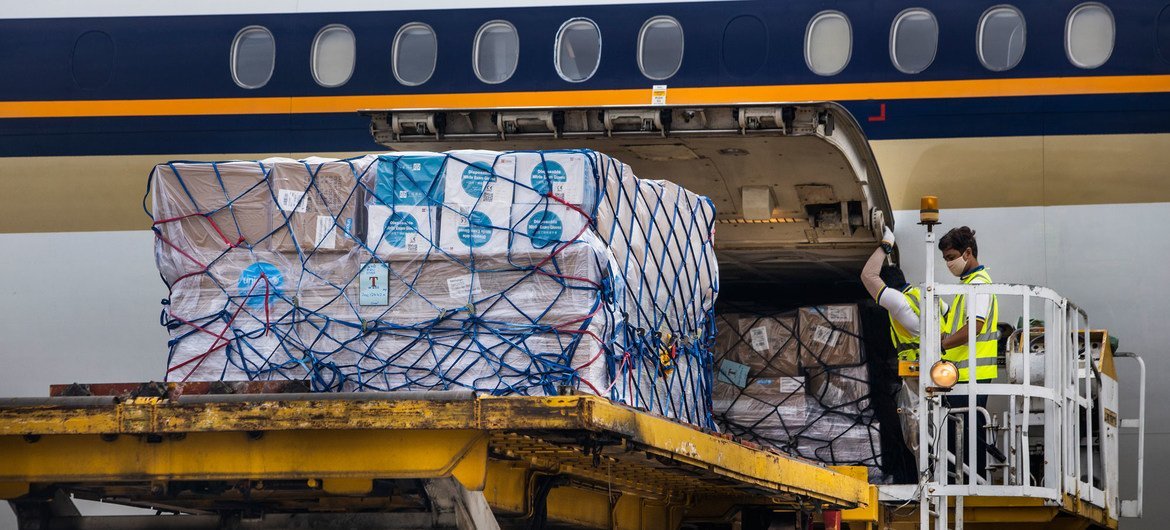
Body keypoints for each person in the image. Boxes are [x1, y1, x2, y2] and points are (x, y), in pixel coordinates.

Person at [860, 226, 945, 460]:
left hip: (919, 375)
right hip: (938, 371)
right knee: (932, 427)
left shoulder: (900, 303)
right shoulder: (926, 298)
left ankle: (926, 478)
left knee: (916, 429)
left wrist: (886, 244)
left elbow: (868, 276)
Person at [938, 226, 999, 478]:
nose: (949, 264)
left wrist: (943, 344)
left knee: (967, 433)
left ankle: (971, 483)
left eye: (951, 257)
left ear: (968, 252)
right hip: (961, 376)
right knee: (959, 433)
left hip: (972, 374)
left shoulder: (978, 285)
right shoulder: (968, 285)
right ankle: (964, 481)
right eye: (946, 260)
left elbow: (974, 326)